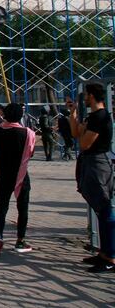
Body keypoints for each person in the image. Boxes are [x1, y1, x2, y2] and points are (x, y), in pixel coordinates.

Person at [0, 102, 35, 258]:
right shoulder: (28, 133)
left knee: (2, 207)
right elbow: (29, 154)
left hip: (3, 173)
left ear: (4, 114)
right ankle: (20, 240)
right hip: (21, 174)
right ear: (20, 116)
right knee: (22, 207)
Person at [69, 83, 115, 273]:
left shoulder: (101, 117)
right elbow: (76, 134)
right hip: (90, 162)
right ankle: (104, 253)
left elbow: (85, 143)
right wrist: (73, 116)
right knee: (99, 210)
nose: (84, 98)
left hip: (97, 164)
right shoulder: (93, 117)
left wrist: (83, 129)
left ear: (92, 96)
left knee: (105, 211)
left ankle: (111, 256)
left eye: (86, 95)